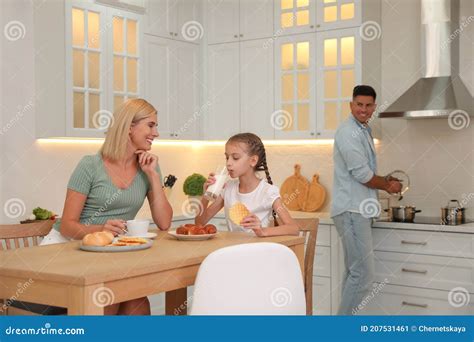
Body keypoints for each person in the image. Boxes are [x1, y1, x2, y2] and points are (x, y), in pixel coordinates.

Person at [41, 98, 173, 315]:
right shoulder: (90, 165)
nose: (156, 133)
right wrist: (100, 229)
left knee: (137, 303)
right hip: (66, 249)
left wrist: (153, 176)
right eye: (151, 125)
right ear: (129, 127)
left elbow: (164, 222)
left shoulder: (149, 167)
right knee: (107, 297)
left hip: (107, 253)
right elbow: (67, 226)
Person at [331, 85, 402, 315]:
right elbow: (361, 174)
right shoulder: (347, 132)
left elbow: (366, 172)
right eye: (359, 104)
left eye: (368, 105)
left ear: (374, 107)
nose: (363, 109)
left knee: (354, 273)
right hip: (352, 210)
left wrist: (385, 180)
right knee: (363, 274)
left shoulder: (363, 129)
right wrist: (387, 185)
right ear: (351, 105)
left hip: (358, 210)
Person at [195, 133, 298, 236]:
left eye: (235, 158)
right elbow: (199, 223)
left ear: (253, 160)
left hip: (258, 250)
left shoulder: (267, 191)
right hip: (234, 250)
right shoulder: (228, 188)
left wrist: (262, 231)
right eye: (227, 158)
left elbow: (293, 228)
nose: (228, 163)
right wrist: (205, 197)